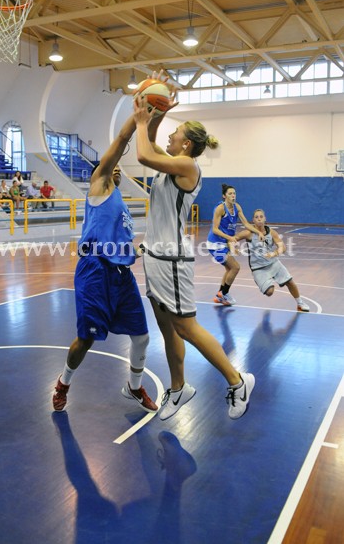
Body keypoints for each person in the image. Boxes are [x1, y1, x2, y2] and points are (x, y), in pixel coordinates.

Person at [133, 82, 255, 421]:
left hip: (171, 259)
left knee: (185, 327)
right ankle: (178, 388)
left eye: (176, 132)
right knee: (166, 326)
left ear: (186, 144)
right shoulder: (173, 161)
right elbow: (153, 145)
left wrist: (143, 121)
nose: (170, 136)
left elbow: (143, 152)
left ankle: (237, 380)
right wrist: (159, 115)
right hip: (155, 257)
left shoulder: (188, 167)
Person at [52, 113, 158, 414]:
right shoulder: (98, 187)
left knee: (142, 336)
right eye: (114, 164)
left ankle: (134, 388)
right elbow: (122, 141)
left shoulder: (122, 205)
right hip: (95, 273)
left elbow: (118, 243)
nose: (118, 168)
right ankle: (63, 383)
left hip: (121, 275)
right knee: (86, 339)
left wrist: (138, 250)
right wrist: (140, 118)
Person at [236, 208, 310, 312]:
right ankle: (266, 281)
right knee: (270, 292)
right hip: (258, 268)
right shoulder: (248, 233)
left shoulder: (271, 232)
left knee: (290, 282)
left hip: (273, 263)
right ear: (253, 220)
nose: (259, 219)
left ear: (265, 218)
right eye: (256, 217)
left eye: (261, 217)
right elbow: (233, 238)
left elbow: (283, 247)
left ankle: (300, 303)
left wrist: (274, 253)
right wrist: (233, 247)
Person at [207, 183, 264, 306]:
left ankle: (220, 294)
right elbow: (215, 229)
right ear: (224, 196)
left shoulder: (237, 207)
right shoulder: (220, 209)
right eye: (230, 194)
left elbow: (247, 224)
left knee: (229, 268)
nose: (233, 195)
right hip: (215, 244)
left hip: (225, 242)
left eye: (234, 193)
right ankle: (224, 294)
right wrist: (230, 238)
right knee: (235, 267)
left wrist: (258, 232)